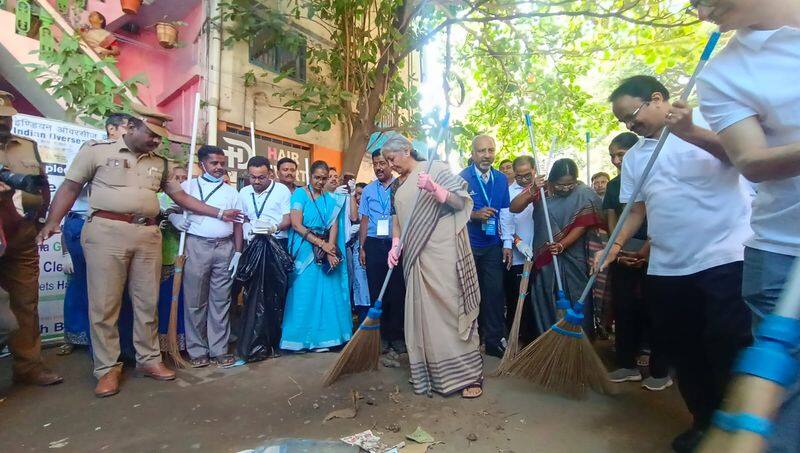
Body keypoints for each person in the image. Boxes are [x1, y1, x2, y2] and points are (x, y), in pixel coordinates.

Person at [36, 104, 243, 397]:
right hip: (106, 231)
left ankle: (149, 360)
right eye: (151, 134)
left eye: (160, 138)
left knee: (147, 301)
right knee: (105, 304)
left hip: (147, 234)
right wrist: (52, 221)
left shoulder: (161, 163)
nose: (156, 141)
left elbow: (181, 196)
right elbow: (70, 187)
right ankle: (107, 369)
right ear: (131, 128)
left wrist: (219, 213)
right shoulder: (96, 151)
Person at [596, 75, 753, 452]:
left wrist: (690, 131)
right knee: (684, 348)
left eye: (631, 116)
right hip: (668, 267)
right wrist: (614, 246)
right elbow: (636, 209)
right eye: (623, 123)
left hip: (724, 256)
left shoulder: (711, 123)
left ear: (657, 98)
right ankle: (704, 422)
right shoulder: (635, 157)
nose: (629, 127)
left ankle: (739, 429)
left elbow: (745, 160)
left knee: (728, 344)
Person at [693, 2, 800, 450]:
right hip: (784, 253)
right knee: (784, 413)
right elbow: (751, 162)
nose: (699, 9)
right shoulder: (722, 75)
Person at [382, 134, 483, 398]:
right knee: (424, 316)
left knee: (452, 308)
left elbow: (461, 202)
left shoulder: (435, 169)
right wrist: (395, 245)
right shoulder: (396, 186)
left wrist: (436, 189)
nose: (390, 165)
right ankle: (434, 375)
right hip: (416, 257)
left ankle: (471, 376)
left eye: (392, 159)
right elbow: (397, 220)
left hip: (444, 252)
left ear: (406, 150)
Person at [0, 90, 63, 387]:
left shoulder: (27, 146)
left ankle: (28, 367)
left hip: (21, 234)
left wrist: (42, 220)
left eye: (7, 119)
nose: (4, 123)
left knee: (26, 302)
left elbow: (42, 185)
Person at [602, 132, 672, 392]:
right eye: (612, 155)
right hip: (622, 251)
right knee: (623, 308)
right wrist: (615, 248)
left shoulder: (657, 178)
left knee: (655, 310)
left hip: (655, 249)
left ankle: (660, 371)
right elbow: (615, 218)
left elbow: (657, 217)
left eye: (621, 154)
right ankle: (625, 364)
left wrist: (645, 250)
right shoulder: (613, 185)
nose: (616, 160)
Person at [61, 113, 133, 356]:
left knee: (110, 290)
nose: (131, 131)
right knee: (85, 285)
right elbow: (70, 190)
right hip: (82, 222)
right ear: (111, 129)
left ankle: (114, 346)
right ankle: (80, 337)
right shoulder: (93, 151)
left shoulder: (131, 157)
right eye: (126, 127)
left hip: (114, 226)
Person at [511, 158, 604, 337]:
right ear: (552, 181)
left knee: (577, 294)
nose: (566, 189)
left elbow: (582, 224)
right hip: (545, 254)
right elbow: (514, 207)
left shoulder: (582, 193)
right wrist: (532, 189)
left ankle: (580, 340)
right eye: (561, 185)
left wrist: (562, 244)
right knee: (547, 294)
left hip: (573, 254)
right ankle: (548, 339)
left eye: (570, 184)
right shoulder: (541, 189)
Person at [169, 145, 243, 368]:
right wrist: (175, 219)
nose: (219, 167)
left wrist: (238, 251)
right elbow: (171, 209)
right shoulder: (187, 187)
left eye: (222, 163)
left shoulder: (232, 192)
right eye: (214, 163)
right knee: (195, 300)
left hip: (225, 248)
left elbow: (238, 223)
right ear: (202, 164)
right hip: (197, 246)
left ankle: (218, 349)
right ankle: (197, 350)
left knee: (221, 300)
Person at [280, 160, 351, 352]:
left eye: (324, 178)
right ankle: (299, 340)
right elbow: (296, 224)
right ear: (309, 176)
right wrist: (322, 245)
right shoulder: (300, 194)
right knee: (304, 293)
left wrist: (330, 249)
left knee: (327, 292)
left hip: (325, 247)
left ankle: (325, 339)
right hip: (304, 248)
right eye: (317, 178)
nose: (320, 182)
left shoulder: (331, 199)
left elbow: (333, 225)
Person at [459, 135, 512, 358]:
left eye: (491, 150)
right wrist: (473, 215)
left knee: (494, 294)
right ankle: (468, 341)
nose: (487, 155)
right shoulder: (461, 177)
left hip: (493, 245)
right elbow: (452, 210)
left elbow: (506, 212)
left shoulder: (501, 179)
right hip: (468, 244)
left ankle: (492, 341)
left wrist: (508, 243)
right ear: (472, 153)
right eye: (481, 151)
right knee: (468, 293)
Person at [358, 149, 406, 352]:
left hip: (396, 244)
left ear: (390, 163)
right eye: (375, 164)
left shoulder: (402, 186)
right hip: (374, 244)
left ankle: (397, 336)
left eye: (382, 163)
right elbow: (364, 220)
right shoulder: (368, 190)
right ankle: (383, 337)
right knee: (377, 290)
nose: (378, 167)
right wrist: (362, 248)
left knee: (398, 290)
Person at [500, 155, 539, 344]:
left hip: (538, 254)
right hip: (517, 256)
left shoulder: (544, 190)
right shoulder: (509, 192)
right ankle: (516, 337)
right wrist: (516, 242)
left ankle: (534, 337)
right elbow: (505, 222)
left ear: (534, 170)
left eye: (527, 175)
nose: (523, 179)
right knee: (516, 299)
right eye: (519, 176)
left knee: (535, 299)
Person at [156, 167, 188, 353]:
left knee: (184, 303)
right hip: (165, 257)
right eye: (177, 178)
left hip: (185, 256)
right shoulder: (160, 200)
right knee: (165, 302)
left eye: (184, 178)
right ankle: (163, 343)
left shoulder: (190, 201)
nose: (181, 181)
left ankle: (182, 343)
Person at [239, 156, 291, 249]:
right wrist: (246, 226)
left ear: (269, 173)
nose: (257, 181)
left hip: (276, 242)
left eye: (261, 177)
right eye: (253, 177)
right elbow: (245, 217)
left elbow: (287, 219)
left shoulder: (281, 190)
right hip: (253, 241)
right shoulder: (244, 192)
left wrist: (275, 228)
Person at [346, 182, 371, 321]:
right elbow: (354, 218)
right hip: (356, 254)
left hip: (370, 251)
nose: (359, 197)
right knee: (360, 287)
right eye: (356, 194)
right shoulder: (351, 210)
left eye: (361, 193)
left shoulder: (371, 209)